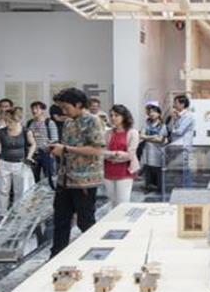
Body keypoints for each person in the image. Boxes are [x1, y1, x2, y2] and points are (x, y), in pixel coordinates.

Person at [48, 88, 105, 257]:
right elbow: (67, 148)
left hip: (84, 181)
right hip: (65, 179)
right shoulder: (68, 122)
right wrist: (56, 148)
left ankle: (95, 255)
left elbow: (97, 150)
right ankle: (56, 256)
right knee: (61, 220)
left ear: (79, 104)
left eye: (66, 107)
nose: (64, 112)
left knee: (85, 222)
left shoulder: (93, 121)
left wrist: (65, 149)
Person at [0, 107, 36, 218]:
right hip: (4, 163)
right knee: (3, 189)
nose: (7, 124)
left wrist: (29, 157)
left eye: (10, 122)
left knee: (19, 190)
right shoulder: (0, 132)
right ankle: (2, 211)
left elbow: (33, 144)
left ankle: (18, 211)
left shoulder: (26, 131)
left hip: (20, 164)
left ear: (18, 120)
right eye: (6, 121)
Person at [103, 104, 139, 206]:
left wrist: (112, 156)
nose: (113, 118)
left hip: (125, 170)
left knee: (123, 202)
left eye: (116, 115)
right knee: (112, 201)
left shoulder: (132, 132)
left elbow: (130, 154)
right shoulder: (108, 133)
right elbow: (102, 151)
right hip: (108, 169)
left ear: (124, 116)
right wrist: (115, 154)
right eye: (111, 115)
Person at [26, 101, 58, 183]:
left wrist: (47, 148)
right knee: (33, 178)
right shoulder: (29, 123)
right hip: (33, 154)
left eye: (37, 108)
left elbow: (55, 139)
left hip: (46, 154)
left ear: (43, 110)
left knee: (49, 177)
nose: (34, 111)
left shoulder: (49, 123)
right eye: (33, 109)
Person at [140, 104, 167, 194]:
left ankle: (159, 187)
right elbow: (141, 135)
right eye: (150, 112)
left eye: (154, 112)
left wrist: (147, 137)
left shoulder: (162, 125)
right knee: (148, 168)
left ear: (159, 114)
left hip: (158, 150)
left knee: (158, 169)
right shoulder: (147, 124)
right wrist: (153, 136)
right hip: (147, 150)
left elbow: (160, 139)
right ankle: (148, 187)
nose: (152, 114)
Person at [170, 94, 195, 188]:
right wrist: (175, 119)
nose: (174, 105)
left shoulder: (188, 116)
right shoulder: (178, 116)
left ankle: (187, 189)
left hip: (184, 146)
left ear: (182, 104)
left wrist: (173, 129)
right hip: (177, 145)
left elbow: (179, 131)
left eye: (175, 103)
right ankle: (181, 188)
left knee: (184, 169)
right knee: (179, 169)